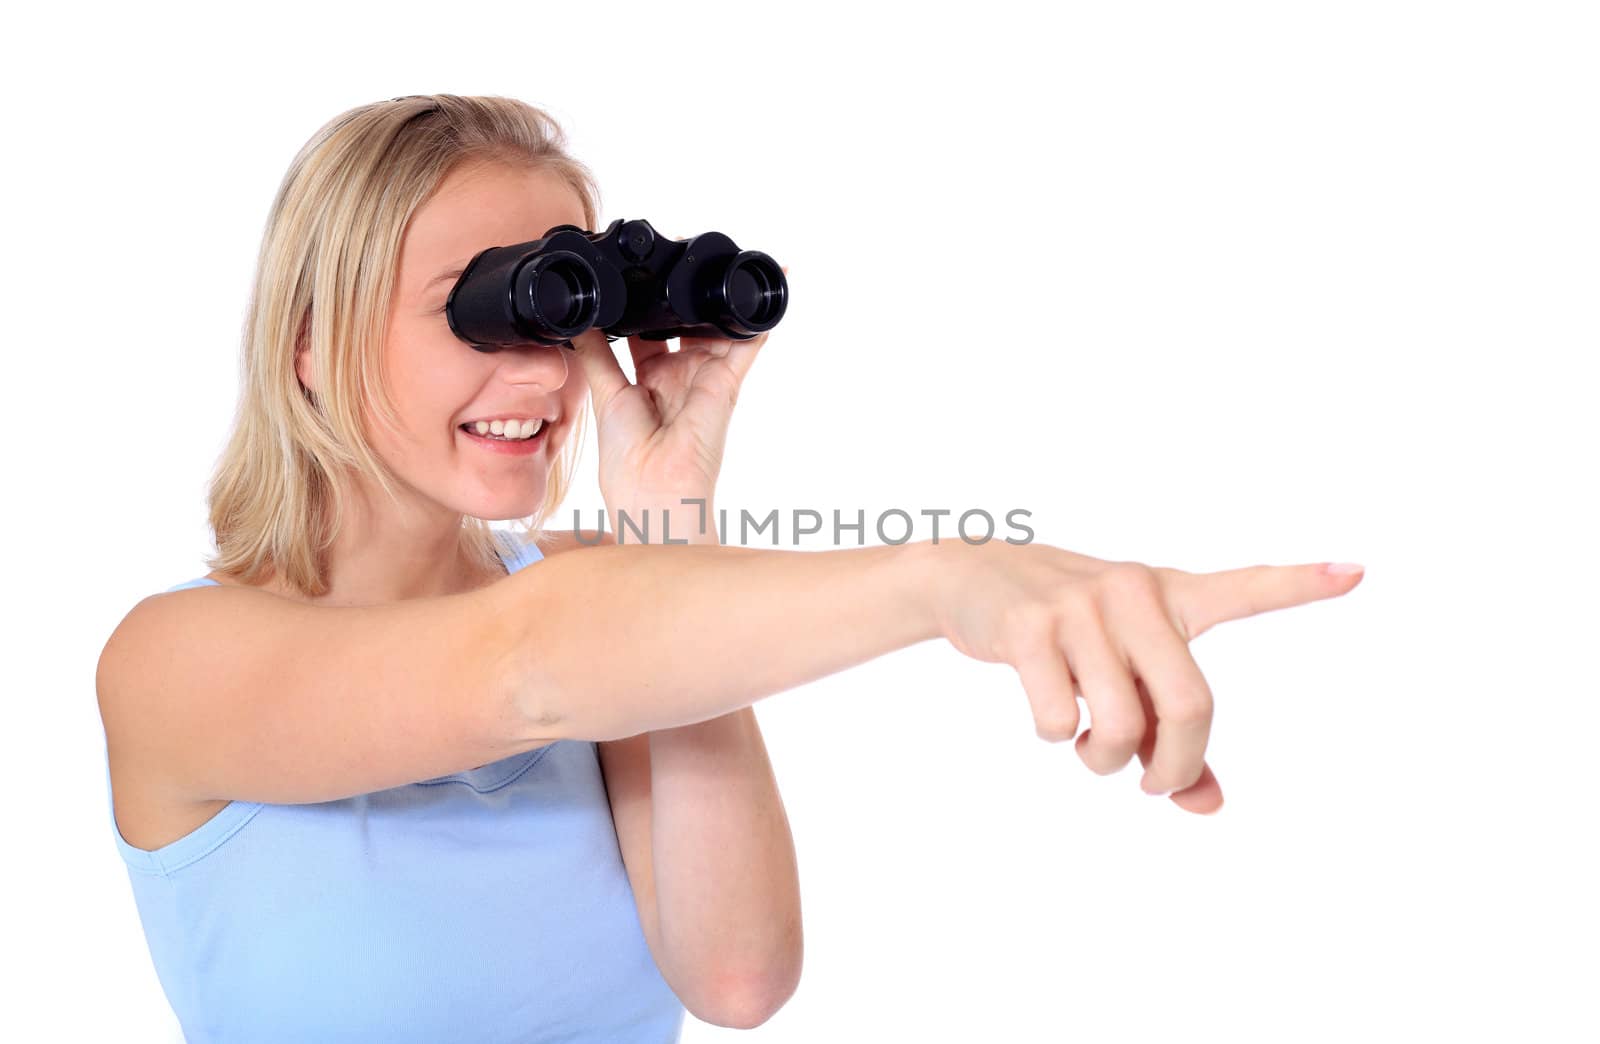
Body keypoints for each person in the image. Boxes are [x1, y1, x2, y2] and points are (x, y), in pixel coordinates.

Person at [95, 94, 1365, 1043]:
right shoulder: (178, 661)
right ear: (311, 345)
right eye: (486, 307)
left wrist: (671, 535)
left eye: (567, 306)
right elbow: (529, 668)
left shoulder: (618, 596)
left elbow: (735, 978)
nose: (544, 371)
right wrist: (951, 578)